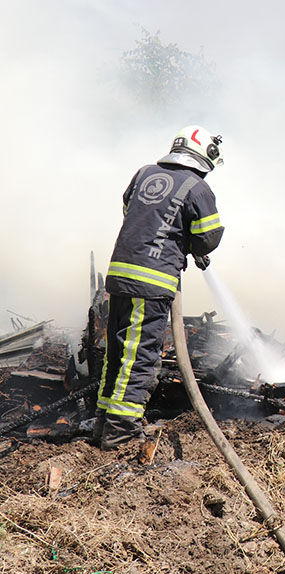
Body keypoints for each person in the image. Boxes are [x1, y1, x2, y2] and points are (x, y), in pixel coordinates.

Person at [94, 126, 225, 450]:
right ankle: (121, 431)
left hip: (120, 275)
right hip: (151, 284)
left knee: (117, 354)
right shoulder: (198, 187)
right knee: (139, 359)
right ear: (205, 155)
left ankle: (103, 423)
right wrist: (189, 246)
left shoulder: (145, 173)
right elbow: (209, 235)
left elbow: (132, 211)